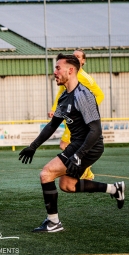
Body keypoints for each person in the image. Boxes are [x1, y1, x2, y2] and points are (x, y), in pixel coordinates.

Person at [19, 53, 125, 233]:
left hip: (90, 145)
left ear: (71, 70)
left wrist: (78, 155)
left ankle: (53, 223)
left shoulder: (83, 95)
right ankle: (114, 189)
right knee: (67, 185)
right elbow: (52, 125)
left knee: (46, 173)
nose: (55, 72)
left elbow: (96, 130)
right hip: (78, 144)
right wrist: (33, 146)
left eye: (58, 68)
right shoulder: (64, 97)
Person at [48, 49, 104, 180]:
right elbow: (61, 94)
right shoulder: (69, 76)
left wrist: (86, 110)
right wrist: (54, 108)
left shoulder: (83, 78)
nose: (76, 58)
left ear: (83, 61)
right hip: (70, 117)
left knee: (66, 144)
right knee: (65, 143)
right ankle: (82, 170)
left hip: (79, 119)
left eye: (78, 56)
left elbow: (100, 95)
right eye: (74, 56)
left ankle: (85, 172)